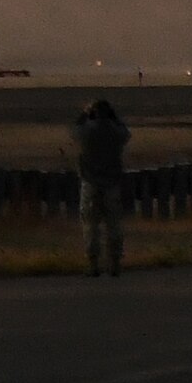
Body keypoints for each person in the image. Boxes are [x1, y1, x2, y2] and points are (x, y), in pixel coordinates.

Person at [72, 99, 130, 276]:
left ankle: (93, 264)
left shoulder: (87, 131)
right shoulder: (116, 133)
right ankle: (115, 263)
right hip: (111, 182)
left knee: (90, 225)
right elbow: (126, 134)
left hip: (90, 182)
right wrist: (115, 118)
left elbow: (75, 131)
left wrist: (85, 113)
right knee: (113, 225)